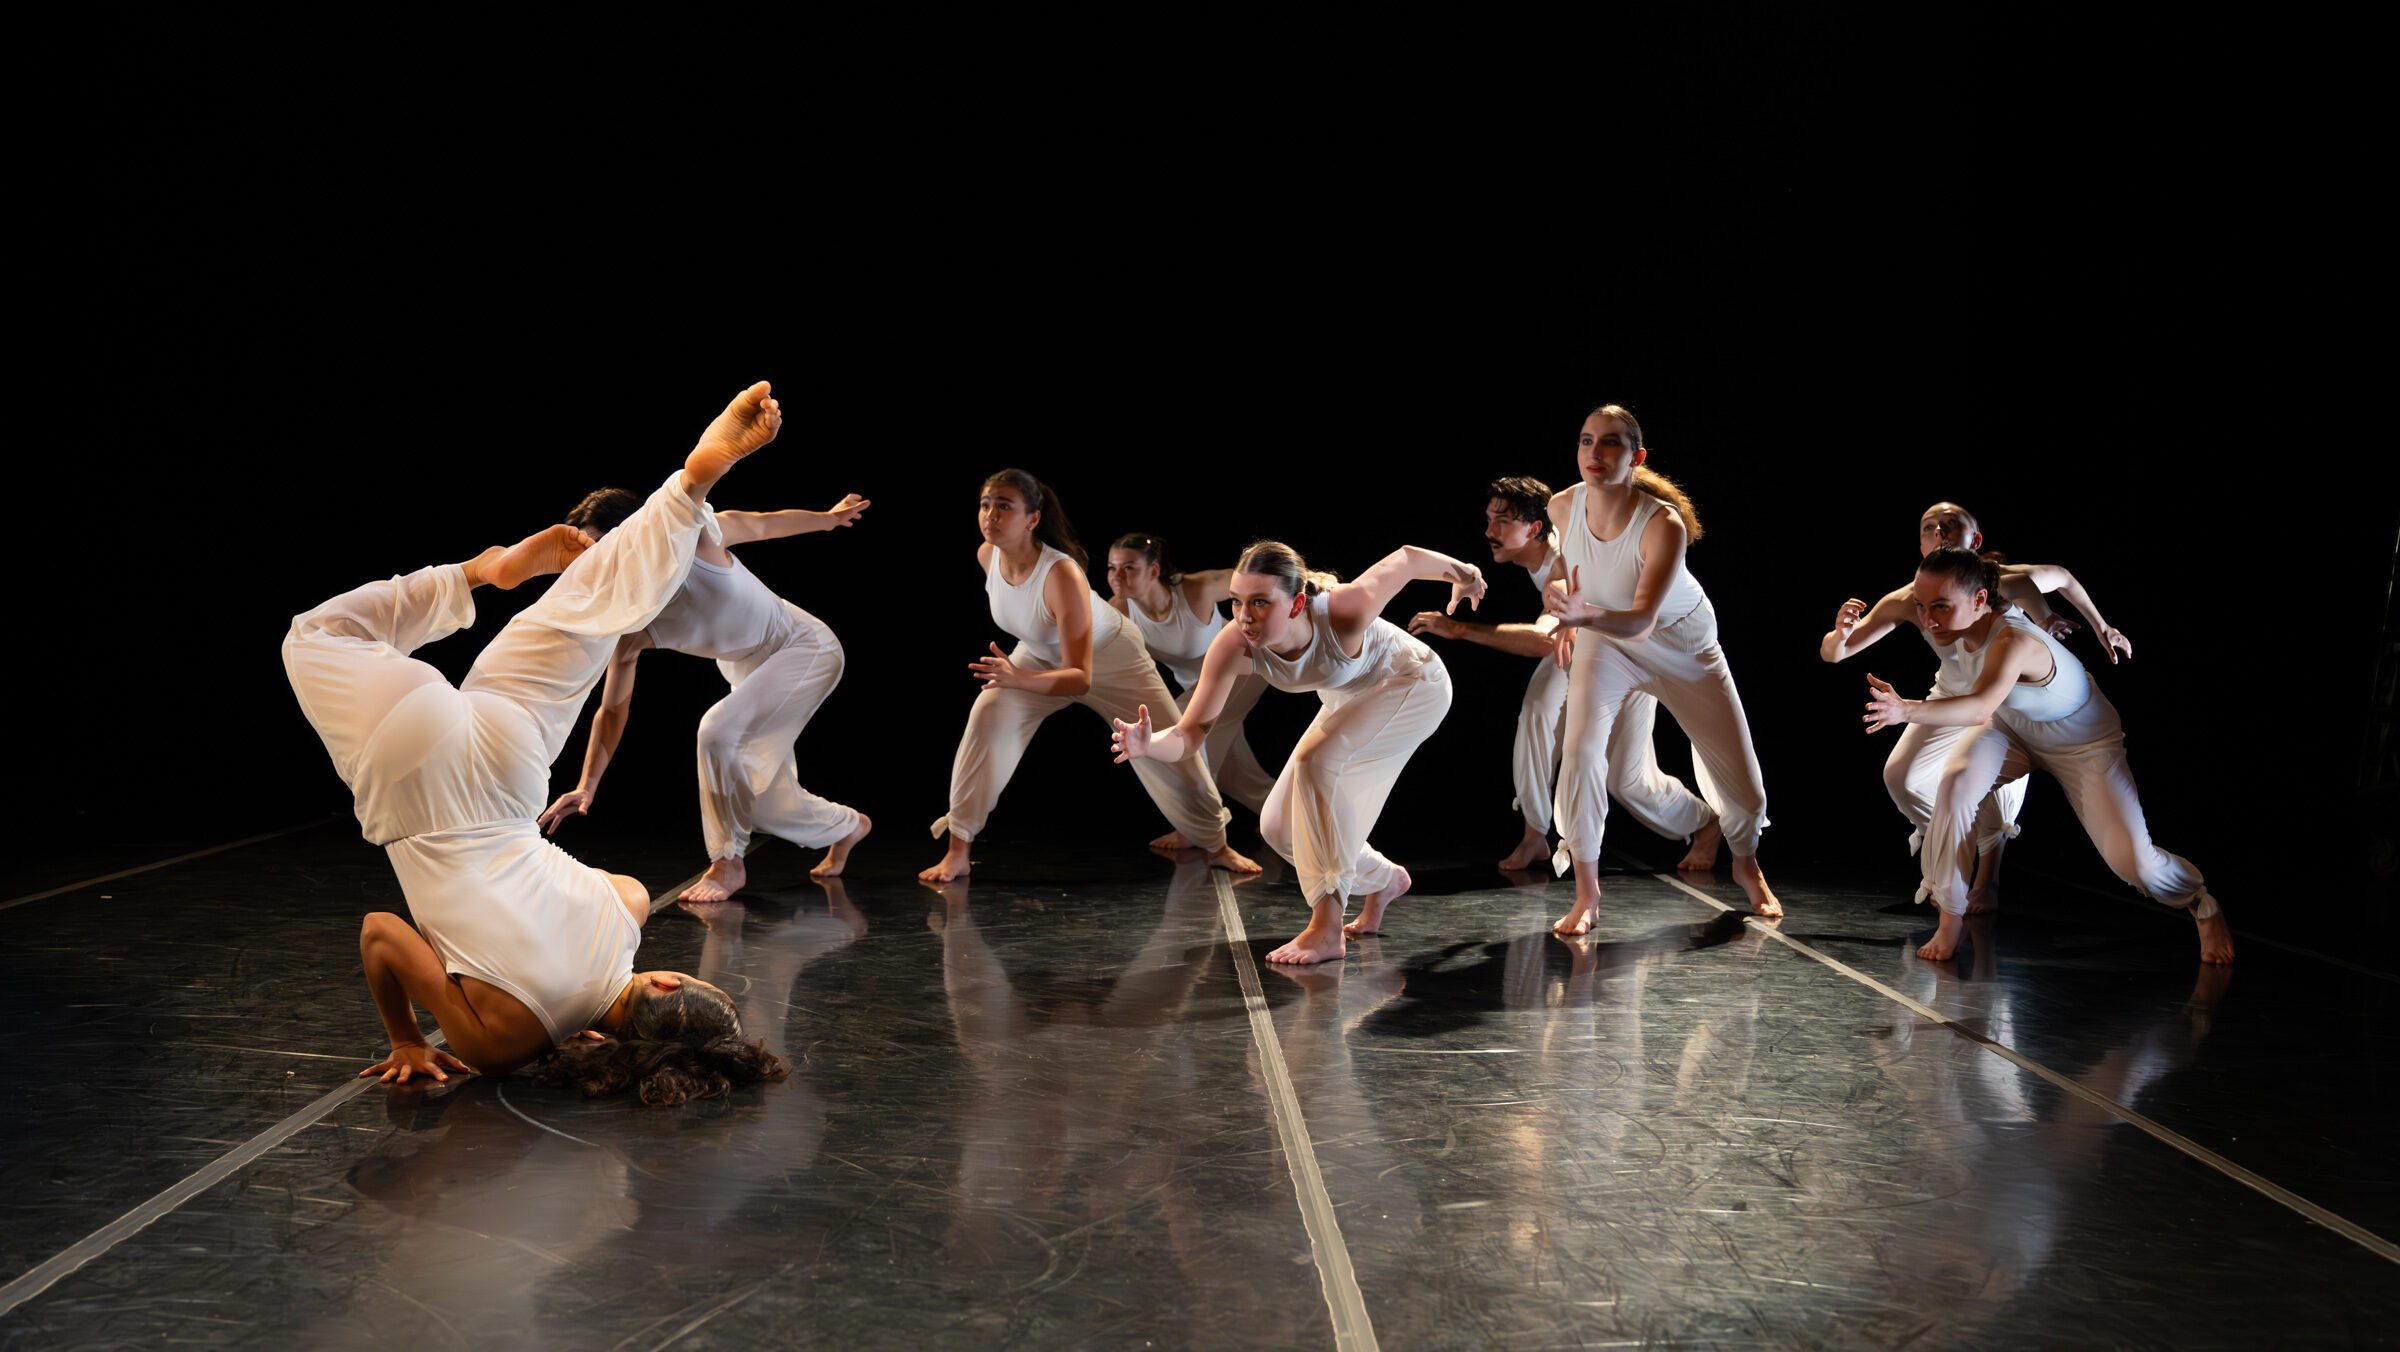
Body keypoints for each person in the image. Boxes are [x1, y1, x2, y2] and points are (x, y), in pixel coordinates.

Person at [281, 381, 792, 1102]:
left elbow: (603, 913)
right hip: (421, 783)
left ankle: (677, 494)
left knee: (592, 616)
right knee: (316, 637)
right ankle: (473, 573)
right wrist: (405, 1038)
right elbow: (380, 933)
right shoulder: (502, 1044)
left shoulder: (629, 909)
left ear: (670, 980)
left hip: (513, 762)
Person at [1111, 538, 1485, 964]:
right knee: (1278, 827)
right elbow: (1192, 732)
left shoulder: (1344, 608)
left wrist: (1468, 575)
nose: (1243, 617)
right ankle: (1382, 879)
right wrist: (1150, 743)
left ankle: (1326, 928)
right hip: (1350, 699)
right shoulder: (1234, 645)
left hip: (1414, 684)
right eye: (1235, 601)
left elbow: (1408, 558)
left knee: (1316, 761)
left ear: (1295, 604)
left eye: (1259, 603)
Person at [1862, 547, 2232, 964]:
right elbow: (1985, 706)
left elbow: (1980, 706)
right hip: (2010, 728)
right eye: (1922, 607)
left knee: (2134, 864)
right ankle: (1951, 921)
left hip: (2082, 742)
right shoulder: (1963, 624)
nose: (1928, 621)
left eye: (1941, 607)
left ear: (1979, 600)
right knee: (1956, 784)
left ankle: (2201, 903)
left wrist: (1906, 710)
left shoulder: (2013, 639)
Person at [921, 470, 1259, 883]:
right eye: (986, 504)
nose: (990, 515)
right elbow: (1037, 631)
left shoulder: (1060, 574)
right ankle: (958, 849)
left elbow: (1080, 677)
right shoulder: (986, 556)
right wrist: (1018, 675)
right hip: (1038, 656)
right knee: (987, 718)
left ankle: (1216, 844)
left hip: (1111, 658)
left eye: (1004, 506)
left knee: (1166, 743)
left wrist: (1016, 677)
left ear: (1032, 519)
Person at [537, 488, 875, 900]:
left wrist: (828, 517)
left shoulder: (695, 536)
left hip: (804, 647)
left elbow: (760, 522)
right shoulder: (631, 622)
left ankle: (727, 864)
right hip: (752, 670)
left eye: (603, 545)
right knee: (759, 800)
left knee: (716, 731)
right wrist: (587, 785)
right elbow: (611, 709)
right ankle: (849, 826)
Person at [1820, 500, 2133, 911]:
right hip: (1951, 693)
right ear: (1919, 544)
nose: (1940, 532)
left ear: (1975, 539)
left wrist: (2101, 626)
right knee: (1902, 777)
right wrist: (1841, 634)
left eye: (1951, 525)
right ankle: (1953, 854)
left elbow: (2064, 578)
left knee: (1988, 785)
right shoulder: (1905, 599)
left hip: (2005, 704)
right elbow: (1834, 654)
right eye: (1929, 527)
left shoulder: (2007, 582)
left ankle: (1986, 878)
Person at [1543, 404, 1782, 934]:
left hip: (1684, 649)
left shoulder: (1661, 522)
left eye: (1610, 443)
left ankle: (1745, 860)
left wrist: (1582, 614)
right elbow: (1564, 570)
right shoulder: (1563, 506)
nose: (1595, 453)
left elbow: (1644, 621)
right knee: (1583, 756)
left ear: (1636, 456)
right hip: (1608, 643)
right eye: (1586, 441)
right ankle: (1587, 894)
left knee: (1747, 790)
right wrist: (1559, 606)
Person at [1409, 476, 1720, 873]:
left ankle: (1706, 822)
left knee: (1626, 780)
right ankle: (1535, 835)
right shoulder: (1534, 555)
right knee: (1538, 707)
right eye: (1489, 519)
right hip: (1580, 648)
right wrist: (1465, 576)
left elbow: (1542, 640)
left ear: (1535, 529)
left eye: (1502, 522)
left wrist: (1460, 629)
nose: (1490, 531)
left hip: (1628, 654)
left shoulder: (1560, 563)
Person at [1102, 532, 1278, 844]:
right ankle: (1283, 819)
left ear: (1154, 571)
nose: (1117, 577)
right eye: (1111, 568)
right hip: (1201, 686)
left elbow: (1257, 580)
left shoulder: (1197, 588)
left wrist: (1311, 585)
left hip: (1243, 668)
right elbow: (1077, 637)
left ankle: (1200, 827)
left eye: (1128, 568)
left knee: (1179, 732)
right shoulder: (1118, 609)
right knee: (1234, 773)